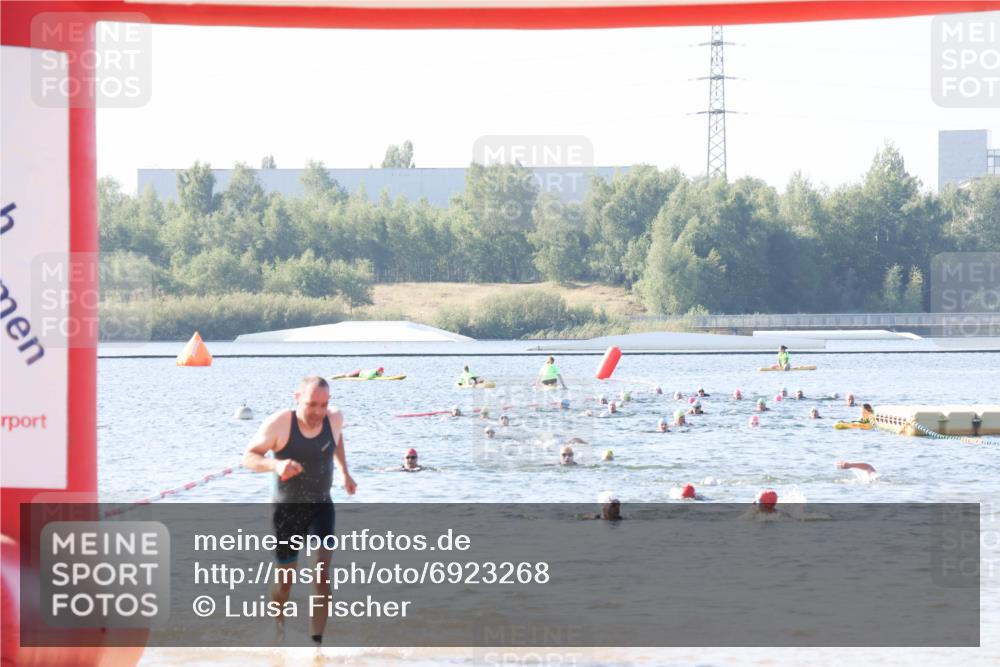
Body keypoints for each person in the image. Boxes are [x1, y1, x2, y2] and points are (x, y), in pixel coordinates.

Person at [242, 376, 357, 647]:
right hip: (286, 511)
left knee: (321, 574)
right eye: (311, 404)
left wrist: (344, 472)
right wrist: (276, 466)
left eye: (323, 405)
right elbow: (249, 457)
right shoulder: (280, 423)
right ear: (297, 398)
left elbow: (337, 439)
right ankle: (278, 625)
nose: (318, 412)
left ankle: (316, 644)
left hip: (321, 506)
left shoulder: (334, 418)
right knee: (285, 582)